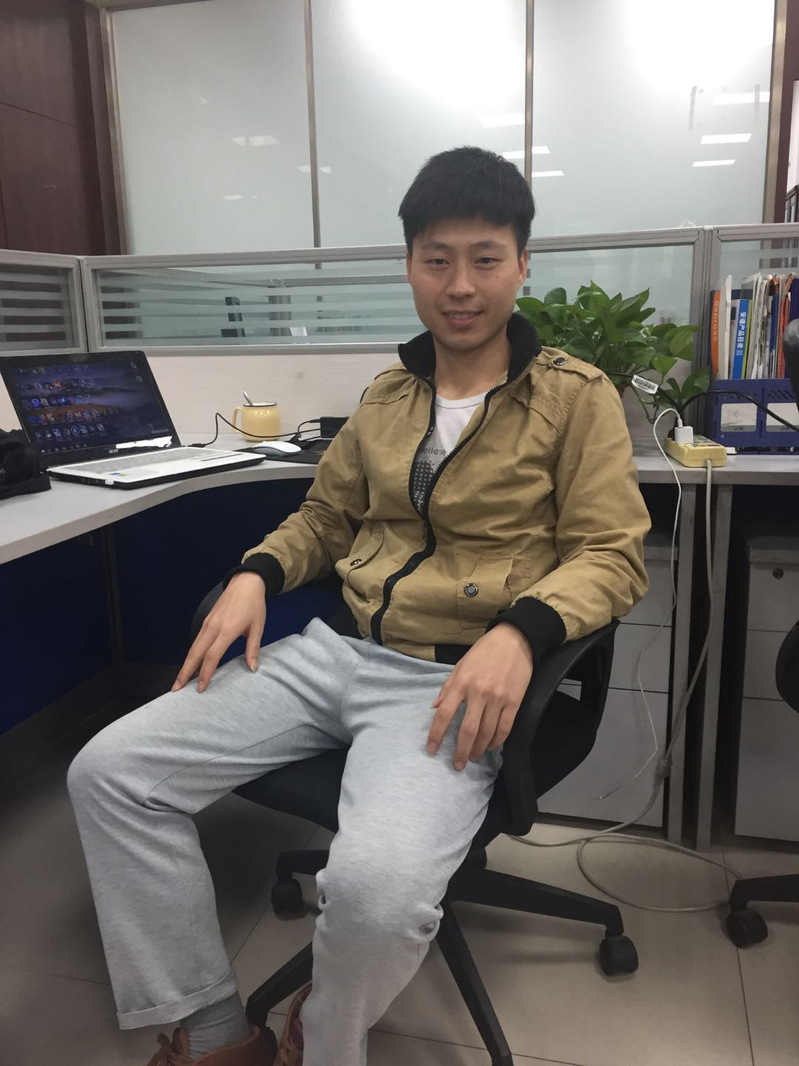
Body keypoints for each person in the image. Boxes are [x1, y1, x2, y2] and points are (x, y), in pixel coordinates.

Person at [68, 146, 651, 1066]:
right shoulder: (386, 397)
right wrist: (258, 573)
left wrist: (520, 632)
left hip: (452, 681)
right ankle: (217, 1035)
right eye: (436, 259)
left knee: (377, 894)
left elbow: (611, 554)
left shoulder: (574, 399)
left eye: (485, 259)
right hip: (335, 653)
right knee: (110, 773)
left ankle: (322, 1039)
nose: (460, 286)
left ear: (522, 264)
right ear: (409, 265)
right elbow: (325, 518)